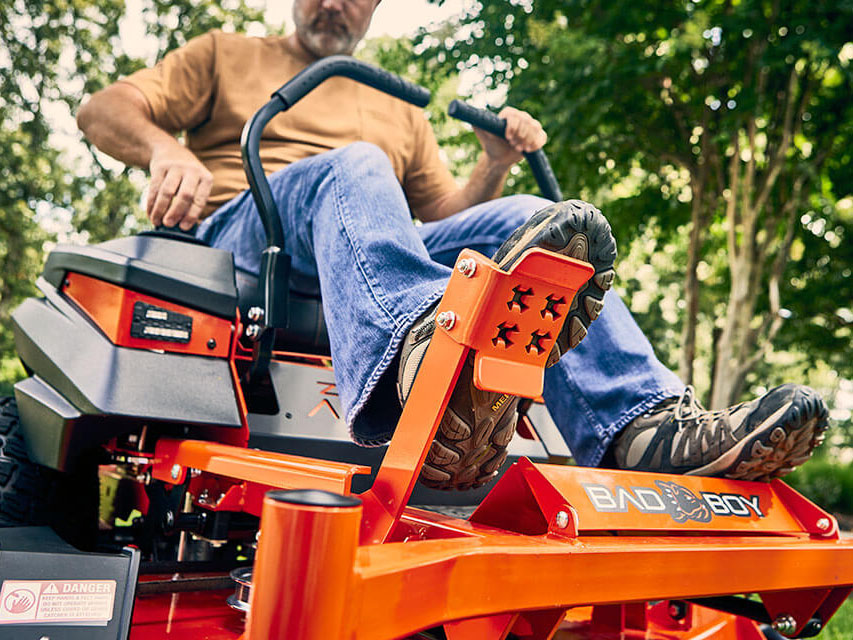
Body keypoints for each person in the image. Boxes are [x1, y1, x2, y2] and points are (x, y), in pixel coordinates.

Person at [76, 0, 828, 490]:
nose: (336, 4)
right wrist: (163, 149)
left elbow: (441, 220)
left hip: (357, 240)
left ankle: (638, 428)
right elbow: (103, 109)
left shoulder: (395, 105)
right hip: (246, 231)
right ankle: (421, 369)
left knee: (531, 215)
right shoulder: (224, 53)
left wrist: (494, 164)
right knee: (353, 164)